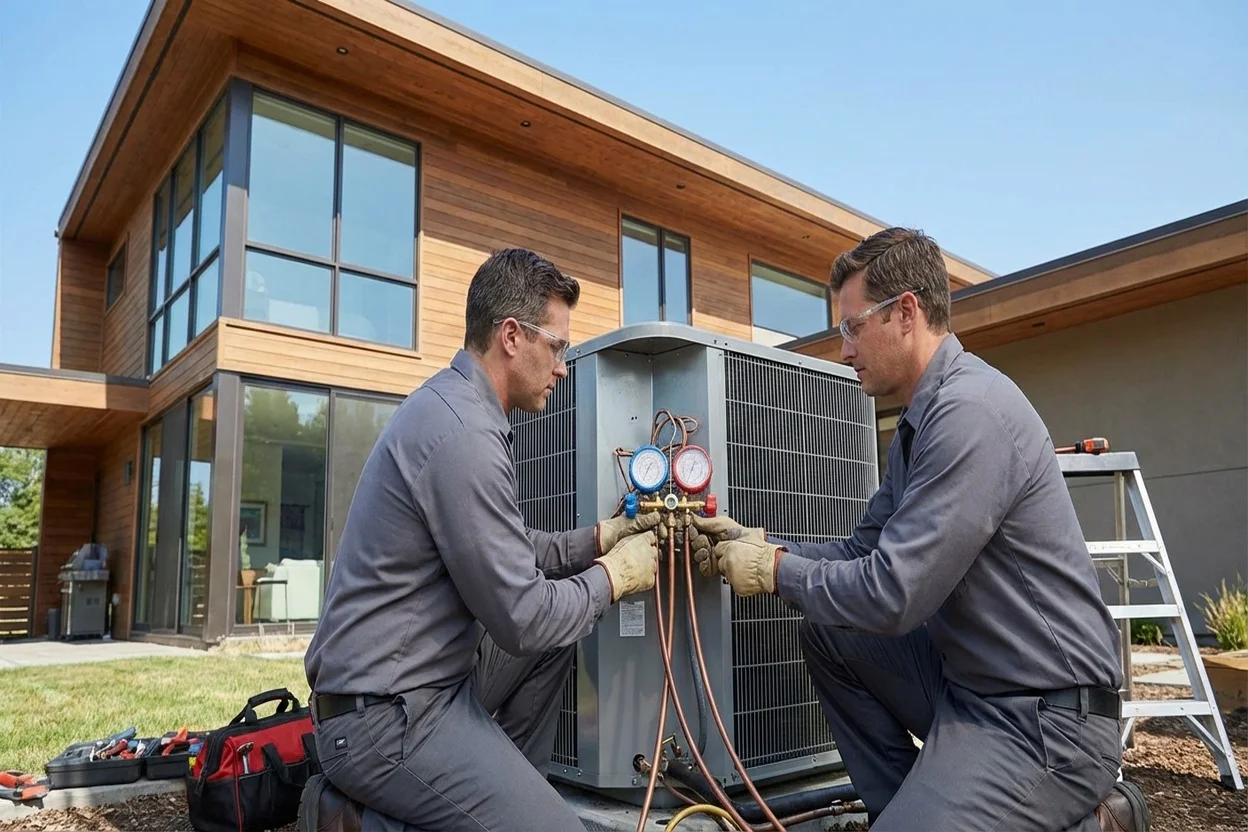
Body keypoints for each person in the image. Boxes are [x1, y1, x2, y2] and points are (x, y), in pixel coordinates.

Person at [690, 228, 1151, 832]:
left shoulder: (969, 414)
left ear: (906, 312)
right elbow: (862, 550)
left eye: (853, 327)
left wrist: (774, 572)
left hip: (1047, 721)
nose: (844, 349)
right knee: (831, 633)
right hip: (972, 692)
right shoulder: (920, 424)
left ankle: (1091, 820)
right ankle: (910, 811)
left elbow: (893, 594)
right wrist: (762, 545)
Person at [303, 247, 663, 832]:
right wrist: (617, 576)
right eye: (558, 346)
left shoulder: (457, 407)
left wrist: (603, 538)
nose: (563, 367)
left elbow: (510, 550)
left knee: (559, 638)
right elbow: (524, 617)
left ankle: (499, 796)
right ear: (512, 336)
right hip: (383, 718)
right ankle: (351, 819)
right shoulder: (462, 433)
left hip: (423, 683)